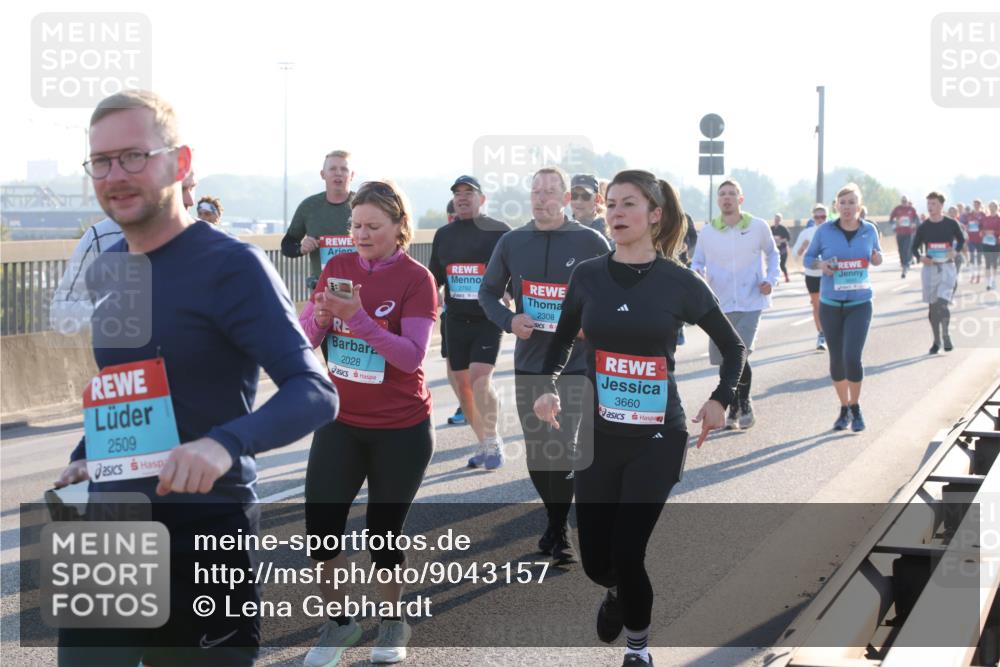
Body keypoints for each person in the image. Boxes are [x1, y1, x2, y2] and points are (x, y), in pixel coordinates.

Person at [53, 89, 339, 666]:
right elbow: (129, 385)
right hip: (108, 529)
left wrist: (223, 444)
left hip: (205, 531)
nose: (115, 175)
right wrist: (88, 455)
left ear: (180, 163)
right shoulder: (110, 269)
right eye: (101, 162)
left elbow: (314, 391)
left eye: (134, 156)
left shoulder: (232, 265)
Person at [534, 170, 746, 667]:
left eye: (629, 203)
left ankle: (639, 650)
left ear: (655, 215)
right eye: (611, 204)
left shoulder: (679, 282)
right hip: (600, 435)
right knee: (597, 562)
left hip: (657, 437)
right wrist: (547, 386)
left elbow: (734, 347)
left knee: (629, 552)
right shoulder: (588, 276)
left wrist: (721, 399)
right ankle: (615, 591)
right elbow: (561, 340)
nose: (616, 213)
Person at [298, 180, 437, 666]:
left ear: (399, 227)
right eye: (356, 225)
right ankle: (339, 624)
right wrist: (319, 318)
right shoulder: (337, 267)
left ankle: (393, 622)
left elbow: (410, 356)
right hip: (341, 421)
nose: (361, 234)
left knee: (382, 534)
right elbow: (305, 339)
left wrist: (357, 318)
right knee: (321, 532)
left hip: (401, 428)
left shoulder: (417, 279)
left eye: (373, 226)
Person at [479, 166, 610, 565]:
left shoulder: (591, 241)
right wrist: (509, 321)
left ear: (566, 199)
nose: (542, 198)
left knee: (564, 448)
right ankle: (555, 523)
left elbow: (612, 292)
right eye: (536, 191)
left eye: (551, 191)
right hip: (531, 363)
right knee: (539, 452)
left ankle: (560, 530)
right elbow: (487, 293)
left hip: (575, 364)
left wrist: (592, 323)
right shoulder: (512, 241)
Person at [49, 170, 198, 334]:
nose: (190, 200)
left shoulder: (208, 241)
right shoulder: (100, 238)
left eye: (192, 188)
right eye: (181, 189)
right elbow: (60, 313)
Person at [428, 176, 511, 469]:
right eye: (458, 193)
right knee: (462, 386)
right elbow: (434, 277)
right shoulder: (444, 235)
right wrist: (432, 295)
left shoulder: (500, 231)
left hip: (488, 317)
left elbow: (517, 270)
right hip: (455, 319)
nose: (462, 197)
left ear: (482, 199)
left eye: (469, 193)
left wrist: (511, 293)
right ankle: (485, 442)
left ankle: (493, 440)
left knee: (480, 379)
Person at [691, 179, 780, 430]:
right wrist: (697, 275)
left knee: (741, 352)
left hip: (751, 300)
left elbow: (773, 253)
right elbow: (697, 262)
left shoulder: (757, 226)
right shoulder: (708, 232)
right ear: (718, 200)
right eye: (722, 194)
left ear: (740, 199)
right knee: (725, 359)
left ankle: (743, 402)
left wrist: (770, 279)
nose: (727, 198)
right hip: (719, 304)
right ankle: (735, 405)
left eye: (732, 193)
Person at [804, 183, 883, 432]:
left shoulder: (869, 230)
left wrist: (877, 258)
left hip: (860, 304)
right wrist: (822, 265)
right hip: (830, 304)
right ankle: (844, 407)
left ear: (859, 206)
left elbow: (877, 255)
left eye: (852, 203)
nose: (847, 207)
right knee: (837, 360)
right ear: (836, 206)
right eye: (843, 203)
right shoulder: (824, 231)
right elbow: (808, 258)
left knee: (852, 357)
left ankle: (856, 406)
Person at [281, 150, 356, 288]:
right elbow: (287, 245)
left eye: (344, 169)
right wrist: (301, 249)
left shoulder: (363, 205)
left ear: (352, 175)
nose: (338, 173)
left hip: (359, 288)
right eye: (332, 169)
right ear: (323, 174)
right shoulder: (309, 206)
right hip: (322, 289)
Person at [913, 192, 965, 353]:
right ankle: (936, 341)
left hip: (947, 267)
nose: (930, 207)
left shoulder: (951, 223)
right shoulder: (924, 227)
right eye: (928, 204)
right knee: (932, 307)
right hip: (930, 270)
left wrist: (955, 251)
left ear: (941, 205)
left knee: (942, 304)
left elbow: (961, 240)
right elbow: (914, 247)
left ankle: (946, 334)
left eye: (933, 204)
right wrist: (920, 257)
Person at [440, 200, 466, 426]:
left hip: (480, 317)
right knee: (452, 368)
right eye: (453, 217)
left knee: (477, 369)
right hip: (450, 313)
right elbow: (435, 274)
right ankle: (466, 404)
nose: (456, 221)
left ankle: (473, 404)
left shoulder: (483, 238)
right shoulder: (444, 239)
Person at [793, 204, 829, 350]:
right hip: (812, 274)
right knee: (817, 305)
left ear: (827, 217)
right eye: (817, 217)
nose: (820, 219)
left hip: (829, 274)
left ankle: (833, 332)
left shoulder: (833, 231)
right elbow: (795, 255)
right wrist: (802, 248)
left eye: (823, 217)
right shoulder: (806, 233)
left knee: (831, 305)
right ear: (813, 218)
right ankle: (821, 334)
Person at [890, 195, 918, 278]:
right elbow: (891, 219)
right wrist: (894, 226)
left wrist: (914, 224)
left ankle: (905, 266)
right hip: (899, 233)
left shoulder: (912, 209)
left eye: (905, 201)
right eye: (902, 201)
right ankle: (903, 263)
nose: (904, 203)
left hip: (909, 233)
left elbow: (916, 219)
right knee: (900, 249)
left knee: (906, 249)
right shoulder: (897, 209)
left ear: (907, 202)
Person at [965, 199, 986, 284]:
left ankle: (978, 276)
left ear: (980, 205)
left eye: (978, 204)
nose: (976, 206)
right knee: (972, 258)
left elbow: (985, 225)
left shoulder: (983, 214)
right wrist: (967, 226)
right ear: (973, 205)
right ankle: (972, 275)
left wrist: (980, 225)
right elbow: (966, 224)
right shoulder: (970, 214)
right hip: (971, 239)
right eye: (975, 204)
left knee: (979, 258)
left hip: (980, 239)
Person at [982, 200, 1000, 290]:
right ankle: (988, 283)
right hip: (986, 242)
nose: (992, 208)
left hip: (996, 243)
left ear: (997, 207)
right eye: (991, 206)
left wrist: (994, 232)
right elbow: (982, 228)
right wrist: (983, 232)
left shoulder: (999, 218)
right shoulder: (986, 218)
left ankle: (993, 280)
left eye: (994, 206)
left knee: (994, 262)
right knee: (987, 262)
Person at [771, 213, 791, 282]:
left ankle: (786, 277)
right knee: (776, 265)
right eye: (776, 219)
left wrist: (780, 240)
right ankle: (777, 279)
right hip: (774, 250)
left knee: (782, 265)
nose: (776, 221)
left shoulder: (783, 228)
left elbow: (788, 238)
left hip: (783, 250)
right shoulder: (771, 228)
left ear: (780, 220)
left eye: (778, 219)